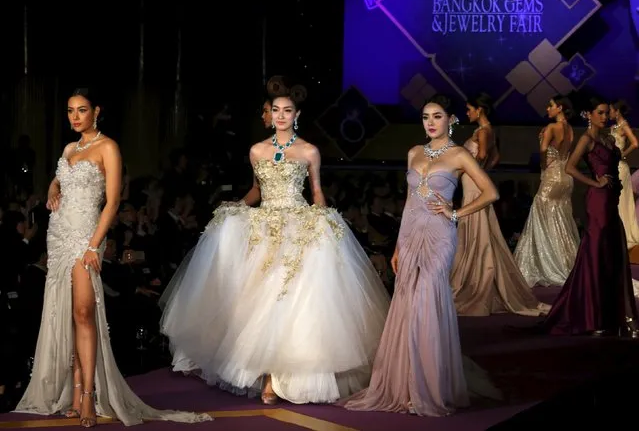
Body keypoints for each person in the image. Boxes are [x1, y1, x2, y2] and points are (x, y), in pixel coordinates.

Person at [159, 91, 390, 405]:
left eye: (288, 110)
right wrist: (235, 207)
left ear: (297, 115)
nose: (281, 115)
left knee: (289, 300)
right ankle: (266, 374)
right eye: (276, 110)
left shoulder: (309, 150)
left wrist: (326, 224)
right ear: (270, 114)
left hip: (297, 227)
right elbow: (257, 189)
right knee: (259, 301)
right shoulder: (257, 151)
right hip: (264, 229)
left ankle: (277, 378)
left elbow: (317, 193)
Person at [14, 88, 212, 427]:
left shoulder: (108, 147)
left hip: (87, 236)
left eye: (82, 110)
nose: (75, 116)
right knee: (68, 314)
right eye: (70, 111)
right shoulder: (69, 148)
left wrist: (94, 245)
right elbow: (60, 179)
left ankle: (89, 396)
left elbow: (113, 202)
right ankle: (74, 393)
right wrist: (51, 187)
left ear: (96, 111)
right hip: (59, 234)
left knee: (83, 311)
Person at [340, 94, 502, 417]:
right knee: (407, 301)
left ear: (450, 119)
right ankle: (405, 383)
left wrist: (456, 212)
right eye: (426, 116)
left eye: (437, 116)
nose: (430, 122)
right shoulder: (414, 152)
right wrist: (398, 246)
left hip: (440, 234)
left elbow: (491, 192)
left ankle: (429, 387)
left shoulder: (458, 155)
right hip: (411, 233)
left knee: (428, 296)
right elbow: (410, 202)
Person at [541, 93, 639, 337]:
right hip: (598, 201)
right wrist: (594, 183)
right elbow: (569, 167)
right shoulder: (585, 139)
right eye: (601, 113)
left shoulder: (606, 138)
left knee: (613, 254)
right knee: (597, 254)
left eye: (607, 113)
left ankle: (619, 316)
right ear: (589, 115)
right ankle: (594, 317)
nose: (605, 117)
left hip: (612, 199)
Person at [449, 93, 549, 316]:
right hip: (475, 182)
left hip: (474, 184)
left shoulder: (483, 131)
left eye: (469, 109)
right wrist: (483, 172)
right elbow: (496, 156)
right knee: (479, 229)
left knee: (476, 228)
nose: (467, 113)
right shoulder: (487, 130)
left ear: (480, 110)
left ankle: (476, 281)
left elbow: (485, 154)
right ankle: (477, 273)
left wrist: (470, 169)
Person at [514, 95, 579, 287]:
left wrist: (543, 165)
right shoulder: (570, 130)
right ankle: (563, 260)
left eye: (550, 106)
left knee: (541, 216)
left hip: (552, 175)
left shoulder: (551, 128)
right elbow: (565, 153)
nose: (547, 109)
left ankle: (548, 263)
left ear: (560, 107)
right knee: (560, 219)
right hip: (566, 177)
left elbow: (543, 150)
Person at [609, 99, 639, 248]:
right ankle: (614, 233)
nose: (609, 113)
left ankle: (623, 234)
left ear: (617, 111)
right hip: (612, 166)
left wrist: (622, 154)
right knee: (612, 200)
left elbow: (635, 143)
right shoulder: (613, 127)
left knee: (620, 200)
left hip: (620, 167)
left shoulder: (624, 126)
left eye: (610, 110)